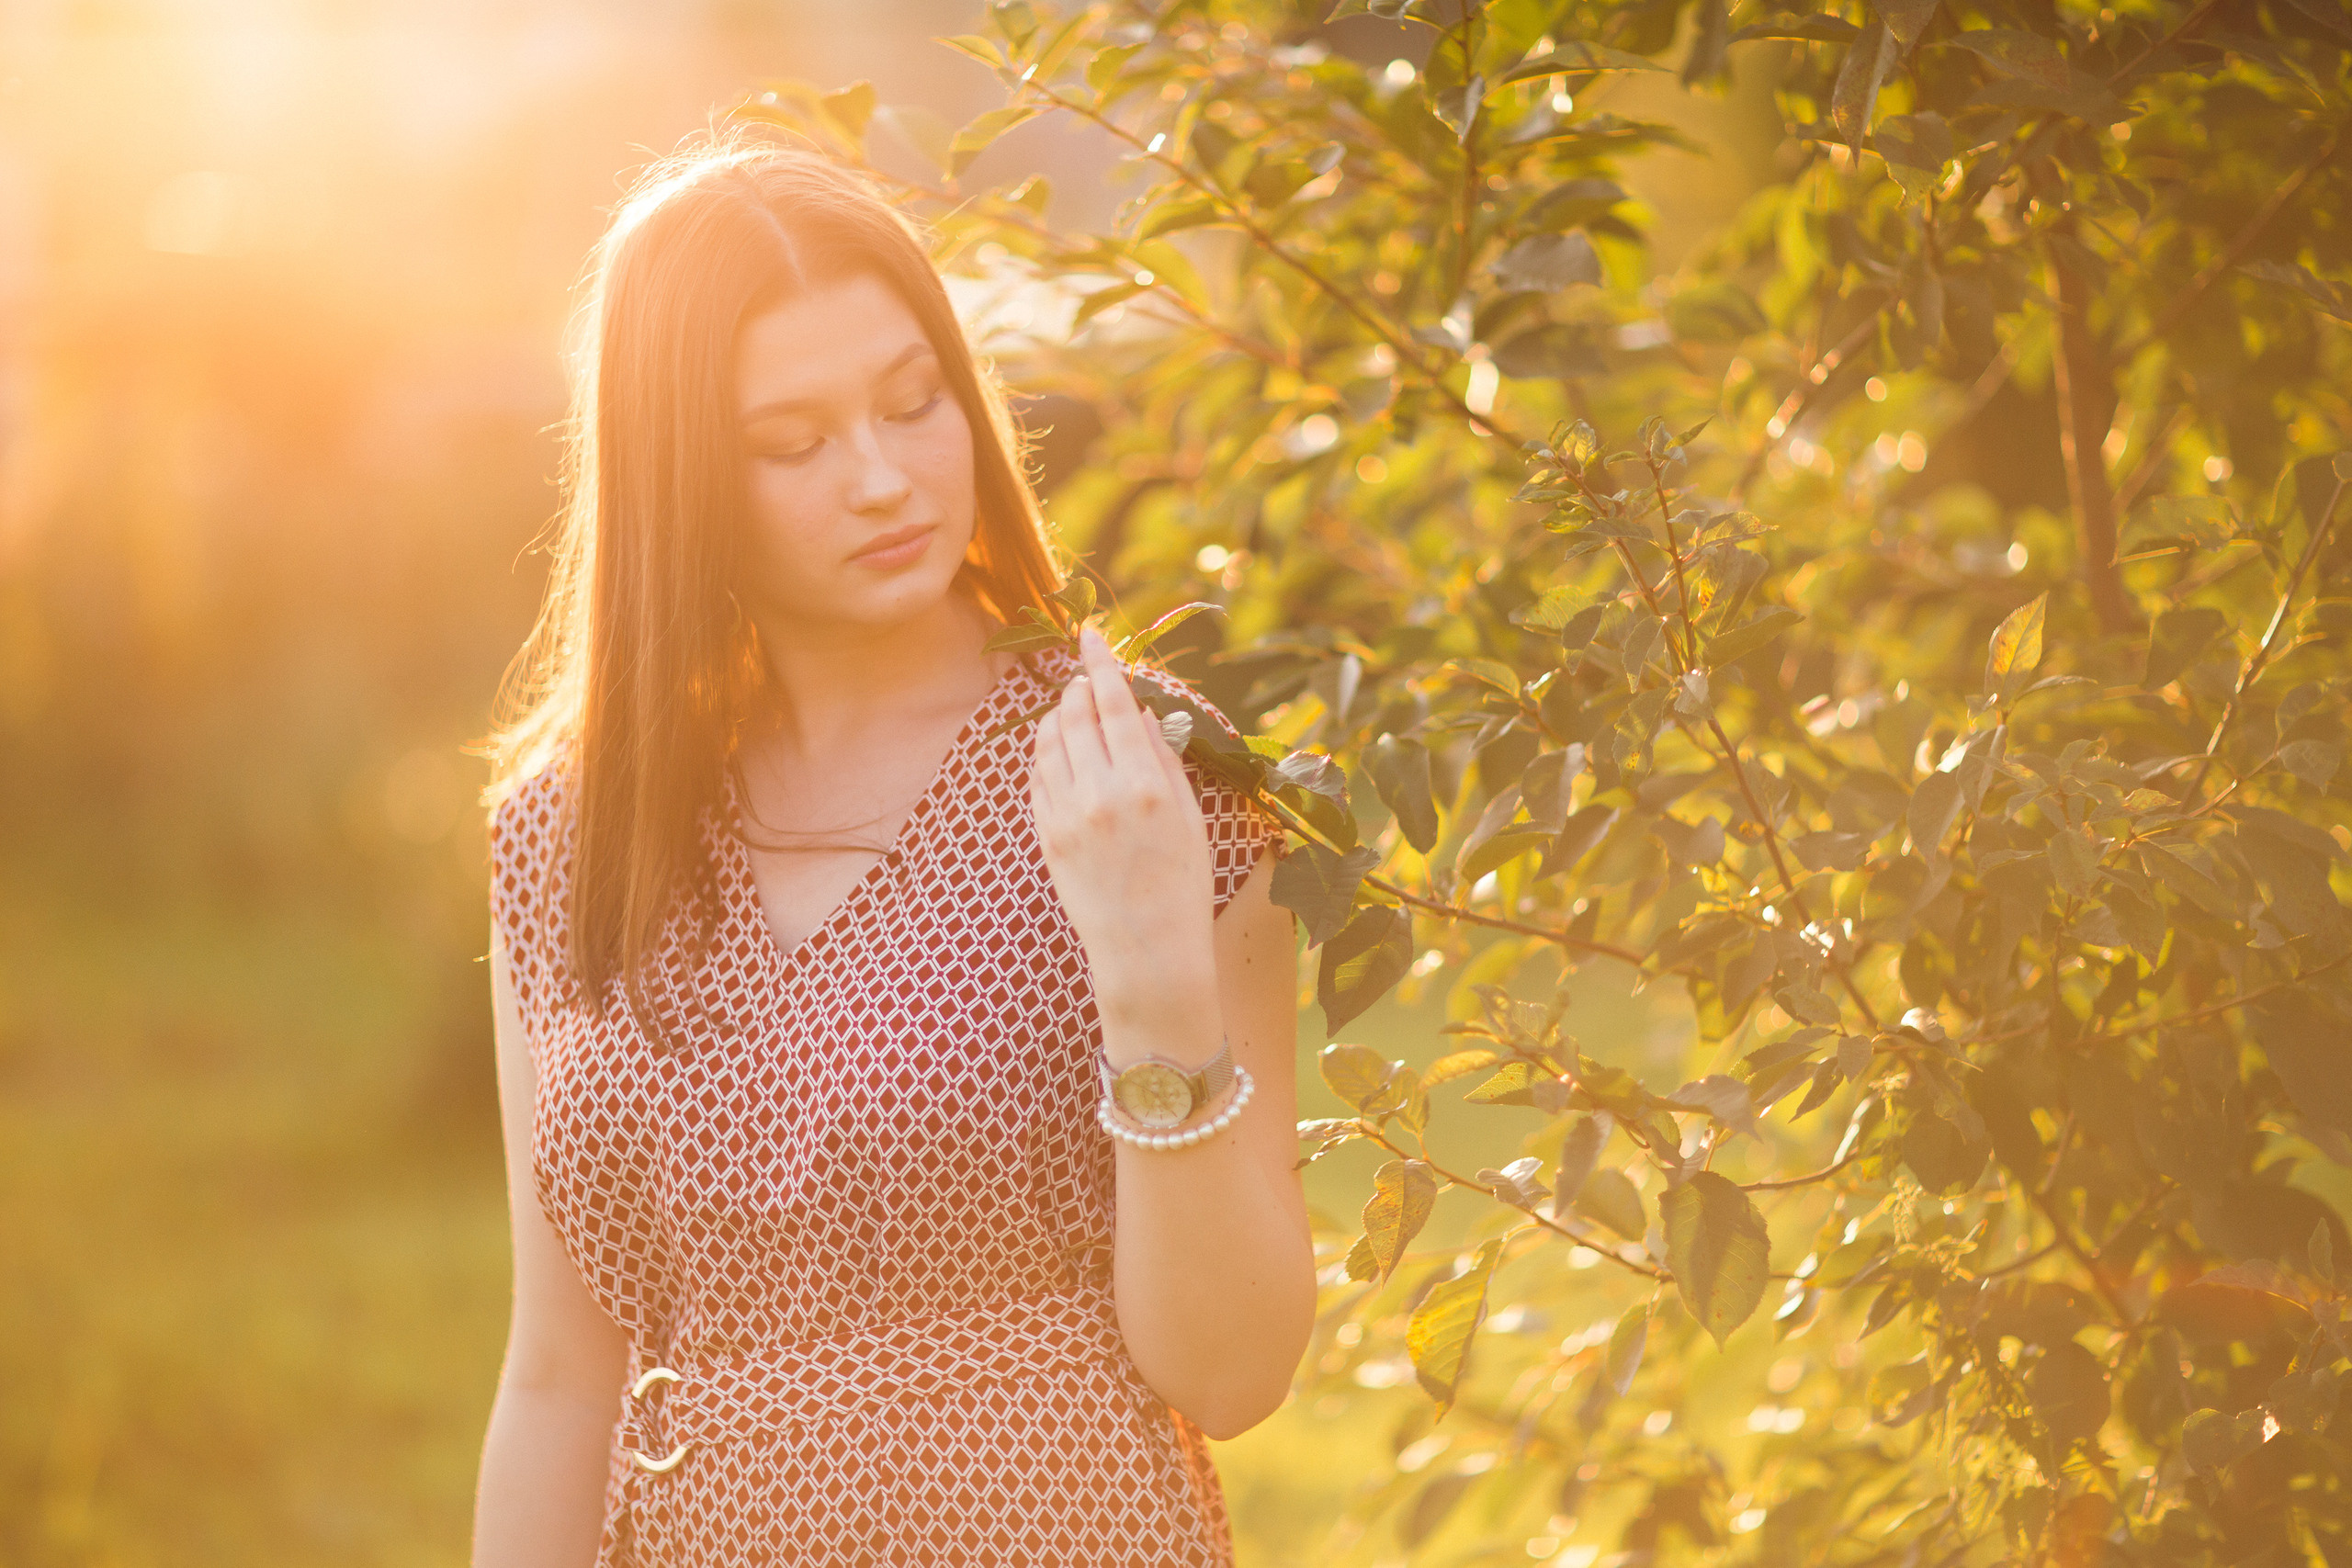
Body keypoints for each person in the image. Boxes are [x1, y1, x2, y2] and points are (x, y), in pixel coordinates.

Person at [469, 131, 1316, 1568]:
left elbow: (1232, 1375)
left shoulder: (1135, 776)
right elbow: (558, 1375)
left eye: (914, 404)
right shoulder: (571, 831)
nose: (881, 478)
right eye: (793, 444)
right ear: (681, 481)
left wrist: (1152, 968)